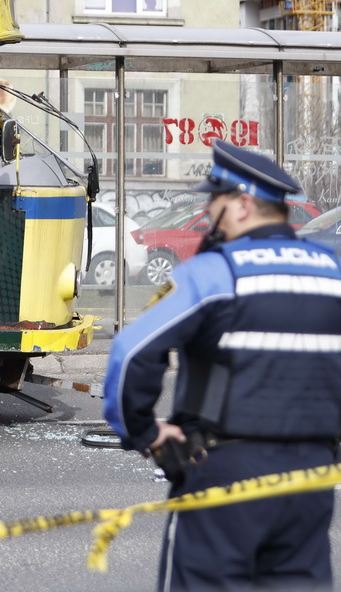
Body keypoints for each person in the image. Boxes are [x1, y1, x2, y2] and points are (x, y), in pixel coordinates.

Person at [104, 139, 341, 591]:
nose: (210, 211)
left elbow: (131, 352)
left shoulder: (215, 272)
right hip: (312, 479)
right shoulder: (332, 272)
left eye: (216, 199)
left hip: (221, 473)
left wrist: (144, 432)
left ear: (244, 204)